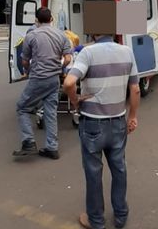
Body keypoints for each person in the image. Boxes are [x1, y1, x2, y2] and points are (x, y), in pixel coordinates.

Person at [63, 34, 141, 229]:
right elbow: (136, 89)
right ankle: (121, 215)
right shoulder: (127, 52)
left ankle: (96, 221)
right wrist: (132, 116)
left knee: (93, 173)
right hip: (118, 123)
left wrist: (75, 100)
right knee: (119, 169)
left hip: (92, 125)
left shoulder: (87, 53)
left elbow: (69, 83)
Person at [13, 7, 73, 160]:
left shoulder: (31, 35)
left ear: (37, 20)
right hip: (54, 79)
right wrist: (59, 68)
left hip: (38, 78)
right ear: (52, 19)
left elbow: (25, 60)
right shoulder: (61, 35)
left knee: (22, 108)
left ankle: (29, 142)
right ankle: (52, 148)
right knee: (50, 112)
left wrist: (27, 70)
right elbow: (67, 58)